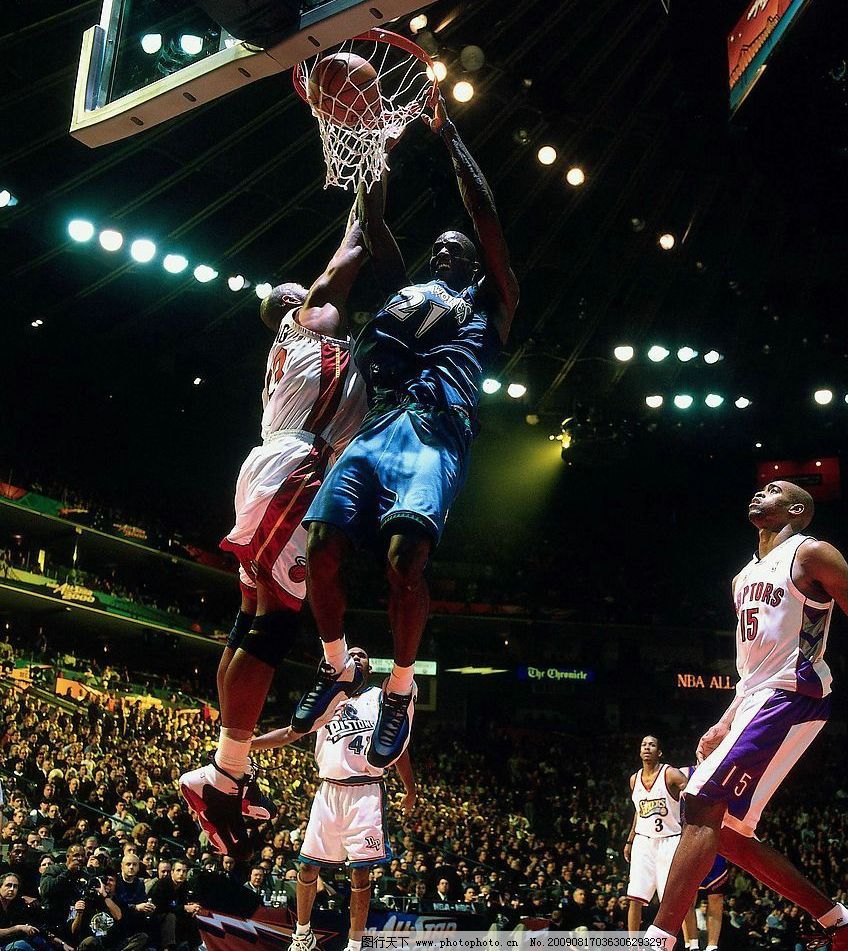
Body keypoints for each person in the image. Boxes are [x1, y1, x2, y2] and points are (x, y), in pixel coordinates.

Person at [294, 91, 520, 771]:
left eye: (455, 251)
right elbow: (370, 217)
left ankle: (398, 685)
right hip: (378, 424)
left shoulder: (488, 299)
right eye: (437, 250)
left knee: (403, 560)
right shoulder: (406, 290)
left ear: (475, 263)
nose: (443, 254)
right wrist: (370, 145)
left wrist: (448, 136)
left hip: (436, 431)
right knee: (323, 544)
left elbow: (484, 212)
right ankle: (336, 665)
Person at [178, 185, 373, 859]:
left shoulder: (311, 348)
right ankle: (225, 772)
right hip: (292, 469)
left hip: (274, 469)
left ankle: (223, 768)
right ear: (299, 308)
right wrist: (373, 163)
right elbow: (353, 246)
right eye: (310, 293)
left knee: (256, 613)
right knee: (277, 618)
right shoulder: (311, 324)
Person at [645, 481, 848, 951]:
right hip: (756, 698)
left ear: (796, 509)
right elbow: (750, 666)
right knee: (726, 835)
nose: (757, 493)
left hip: (793, 692)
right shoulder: (741, 577)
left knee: (701, 801)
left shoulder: (811, 554)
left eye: (772, 490)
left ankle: (657, 941)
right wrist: (728, 718)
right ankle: (847, 925)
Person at [251, 647, 416, 951]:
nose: (356, 656)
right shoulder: (328, 696)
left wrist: (410, 789)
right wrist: (248, 745)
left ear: (368, 665)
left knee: (361, 872)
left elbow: (400, 747)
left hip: (366, 790)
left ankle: (354, 945)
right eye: (350, 652)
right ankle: (302, 936)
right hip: (329, 790)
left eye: (362, 654)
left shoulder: (381, 697)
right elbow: (290, 732)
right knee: (306, 868)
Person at [624, 737, 728, 936]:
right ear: (639, 751)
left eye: (652, 745)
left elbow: (694, 792)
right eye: (644, 744)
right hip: (643, 842)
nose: (647, 747)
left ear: (660, 752)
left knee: (672, 901)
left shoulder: (670, 774)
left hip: (670, 840)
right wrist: (629, 840)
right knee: (634, 898)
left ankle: (689, 943)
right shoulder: (634, 779)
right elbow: (639, 811)